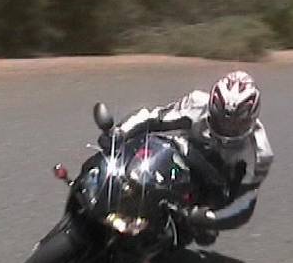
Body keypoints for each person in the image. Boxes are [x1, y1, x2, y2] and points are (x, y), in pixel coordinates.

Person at [112, 71, 274, 245]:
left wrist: (212, 217)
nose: (227, 127)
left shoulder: (259, 153)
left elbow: (245, 201)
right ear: (211, 108)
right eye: (221, 119)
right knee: (142, 152)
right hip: (182, 154)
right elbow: (155, 117)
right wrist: (119, 132)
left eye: (236, 123)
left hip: (216, 184)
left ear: (251, 119)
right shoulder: (196, 104)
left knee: (204, 234)